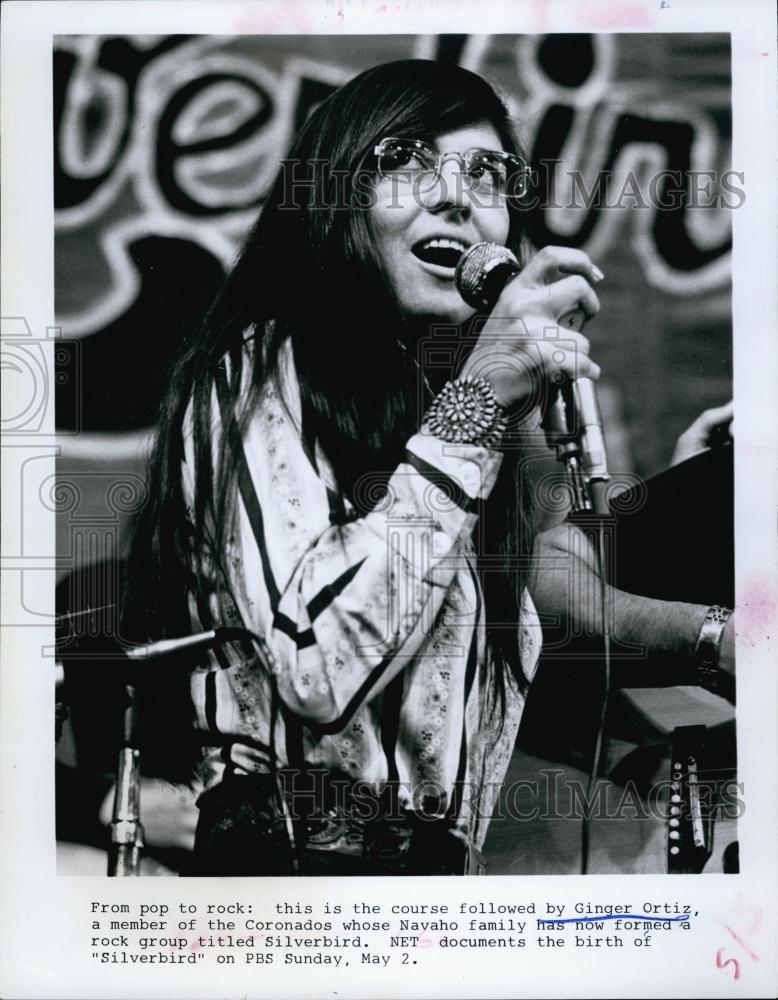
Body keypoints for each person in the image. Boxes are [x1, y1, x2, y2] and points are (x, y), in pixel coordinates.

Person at [124, 59, 733, 876]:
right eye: (405, 160)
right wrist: (478, 405)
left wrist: (674, 508)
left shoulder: (465, 439)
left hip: (433, 897)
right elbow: (318, 669)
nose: (456, 195)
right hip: (291, 892)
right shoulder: (262, 362)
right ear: (337, 200)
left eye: (487, 173)